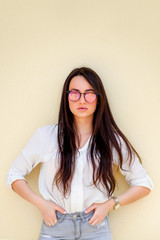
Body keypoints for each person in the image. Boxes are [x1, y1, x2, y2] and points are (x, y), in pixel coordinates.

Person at [6, 67, 153, 240]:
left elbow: (144, 184)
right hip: (55, 228)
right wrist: (42, 204)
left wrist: (111, 204)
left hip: (96, 228)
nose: (82, 100)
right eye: (75, 93)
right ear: (66, 98)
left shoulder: (111, 141)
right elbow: (14, 175)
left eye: (89, 94)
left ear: (98, 99)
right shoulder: (46, 136)